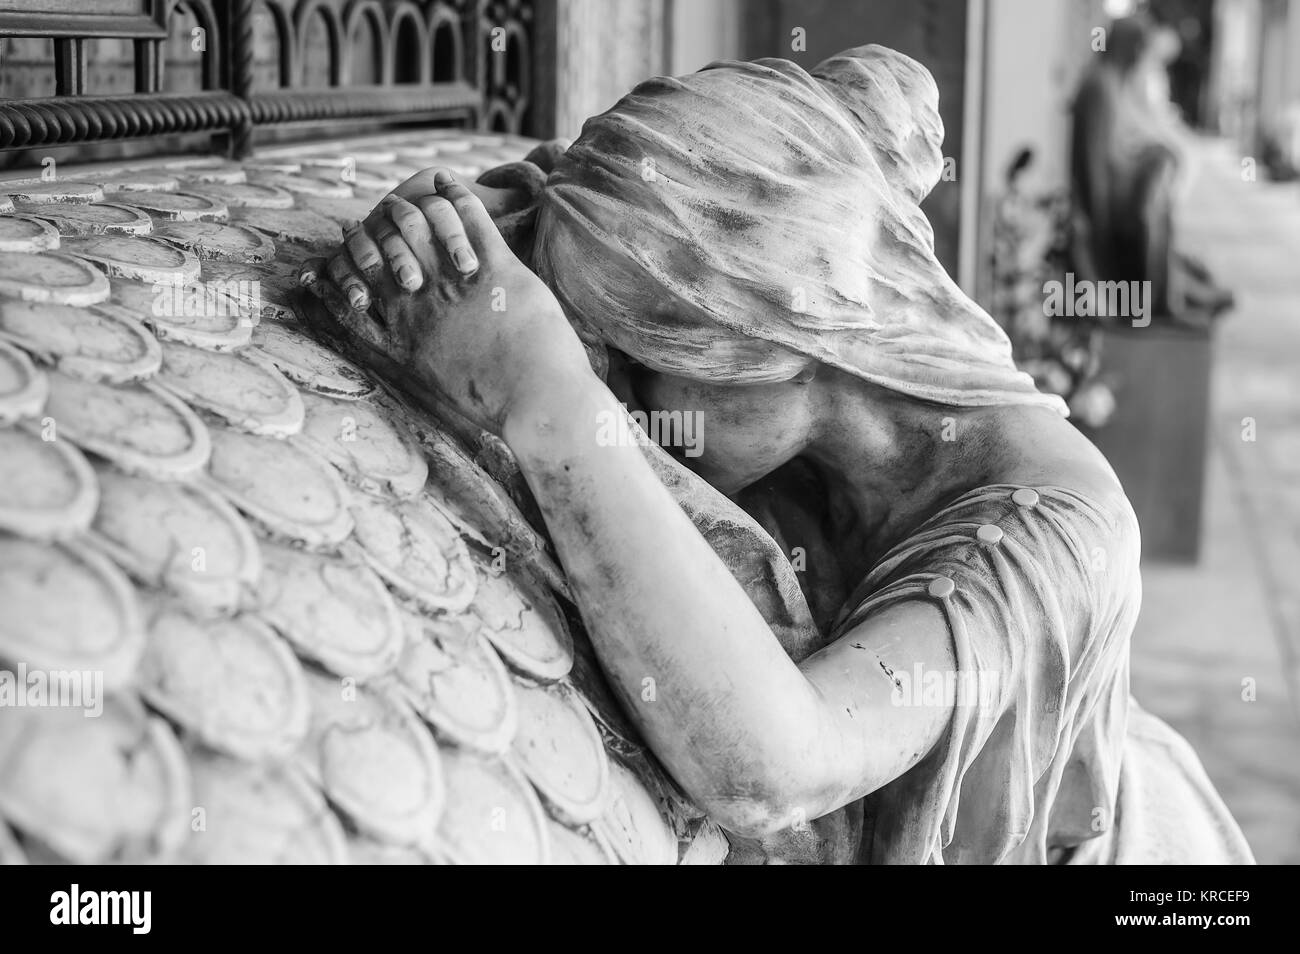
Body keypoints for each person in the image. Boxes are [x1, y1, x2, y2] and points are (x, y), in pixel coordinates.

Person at [300, 45, 1252, 864]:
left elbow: (775, 767)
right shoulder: (807, 420)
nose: (628, 409)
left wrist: (546, 399)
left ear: (770, 341)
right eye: (605, 373)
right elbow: (571, 199)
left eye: (636, 372)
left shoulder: (1054, 546)